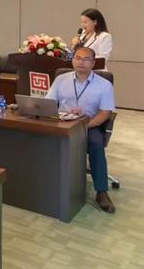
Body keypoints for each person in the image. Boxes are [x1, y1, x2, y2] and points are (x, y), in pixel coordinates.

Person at [46, 47, 116, 213]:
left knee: (96, 145)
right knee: (43, 139)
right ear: (72, 60)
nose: (81, 62)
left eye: (86, 59)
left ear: (93, 63)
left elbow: (105, 113)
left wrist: (84, 125)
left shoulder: (104, 85)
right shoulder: (61, 79)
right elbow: (49, 103)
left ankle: (101, 191)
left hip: (89, 124)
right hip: (62, 122)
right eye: (77, 58)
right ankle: (48, 184)